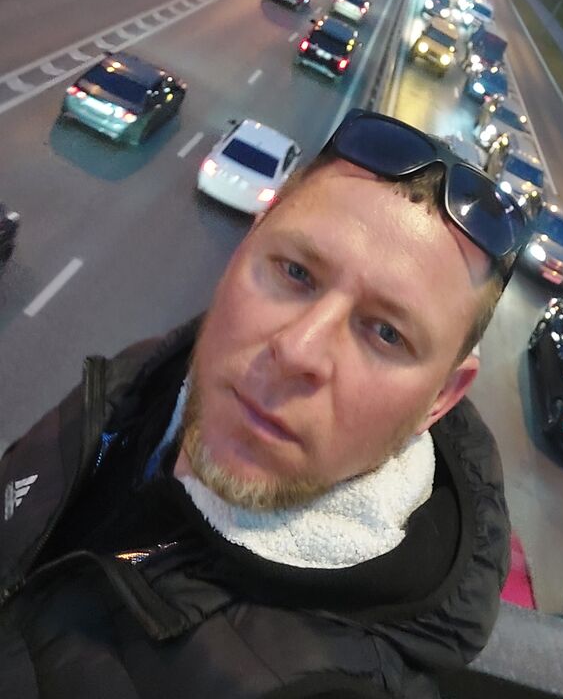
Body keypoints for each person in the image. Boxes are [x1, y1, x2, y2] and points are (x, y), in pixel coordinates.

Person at [0, 108, 526, 699]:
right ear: (247, 244)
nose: (298, 350)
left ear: (440, 399)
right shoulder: (143, 376)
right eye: (296, 272)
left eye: (386, 333)